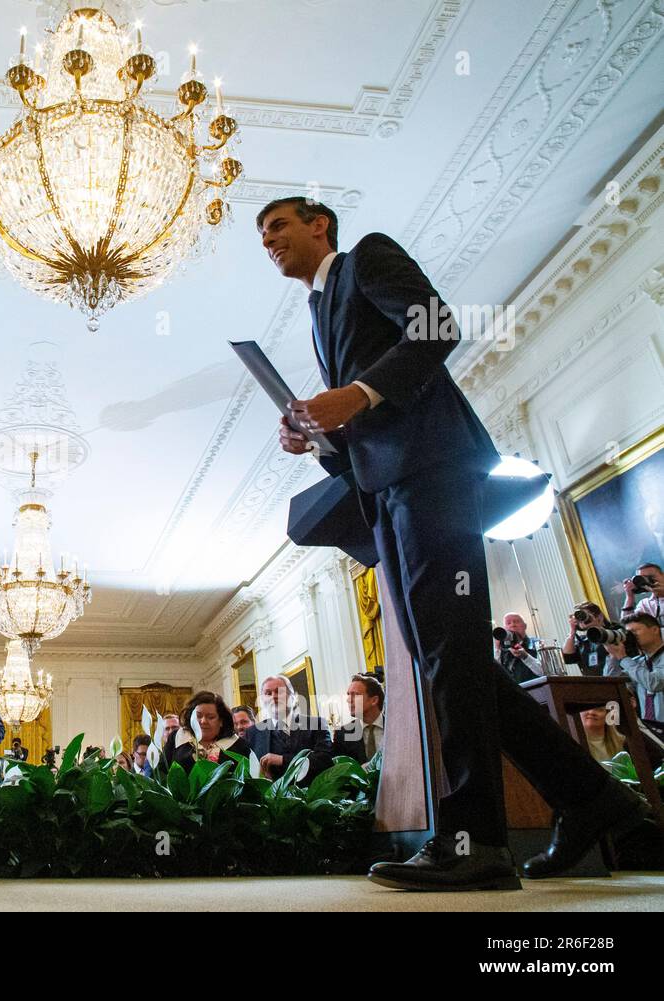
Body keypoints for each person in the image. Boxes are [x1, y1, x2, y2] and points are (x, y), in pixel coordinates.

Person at [260, 195, 644, 889]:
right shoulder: (318, 313)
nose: (269, 240)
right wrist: (316, 439)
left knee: (450, 656)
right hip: (387, 490)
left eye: (278, 225)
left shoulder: (366, 255)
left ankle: (476, 844)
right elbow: (361, 427)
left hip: (433, 472)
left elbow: (437, 328)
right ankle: (594, 798)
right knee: (454, 661)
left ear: (320, 224)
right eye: (263, 234)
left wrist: (358, 394)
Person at [244, 675, 332, 781]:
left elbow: (325, 760)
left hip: (311, 793)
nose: (273, 696)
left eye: (279, 692)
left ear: (292, 697)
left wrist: (283, 760)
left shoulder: (317, 724)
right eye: (268, 693)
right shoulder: (253, 733)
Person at [163, 691, 250, 770]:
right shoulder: (177, 737)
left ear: (221, 721)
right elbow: (161, 772)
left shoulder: (238, 745)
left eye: (210, 717)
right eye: (198, 716)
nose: (203, 721)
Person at [607, 612, 664, 724]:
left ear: (655, 630)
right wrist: (613, 656)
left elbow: (654, 683)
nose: (631, 636)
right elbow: (611, 684)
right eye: (628, 632)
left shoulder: (631, 664)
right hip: (652, 728)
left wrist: (623, 658)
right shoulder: (637, 662)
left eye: (635, 631)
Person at [332, 675, 384, 765]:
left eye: (355, 695)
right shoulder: (342, 734)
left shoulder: (397, 727)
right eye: (348, 695)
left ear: (374, 700)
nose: (348, 700)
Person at [562, 602, 615, 676]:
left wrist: (598, 624)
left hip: (615, 679)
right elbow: (568, 658)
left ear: (599, 616)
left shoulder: (614, 632)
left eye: (584, 614)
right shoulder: (583, 641)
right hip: (593, 684)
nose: (582, 619)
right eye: (579, 616)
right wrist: (572, 631)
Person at [494, 613, 543, 685]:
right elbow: (496, 676)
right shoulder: (503, 650)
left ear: (525, 626)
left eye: (516, 621)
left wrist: (526, 657)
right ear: (505, 629)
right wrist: (497, 650)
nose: (513, 625)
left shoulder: (537, 644)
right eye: (508, 623)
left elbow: (545, 672)